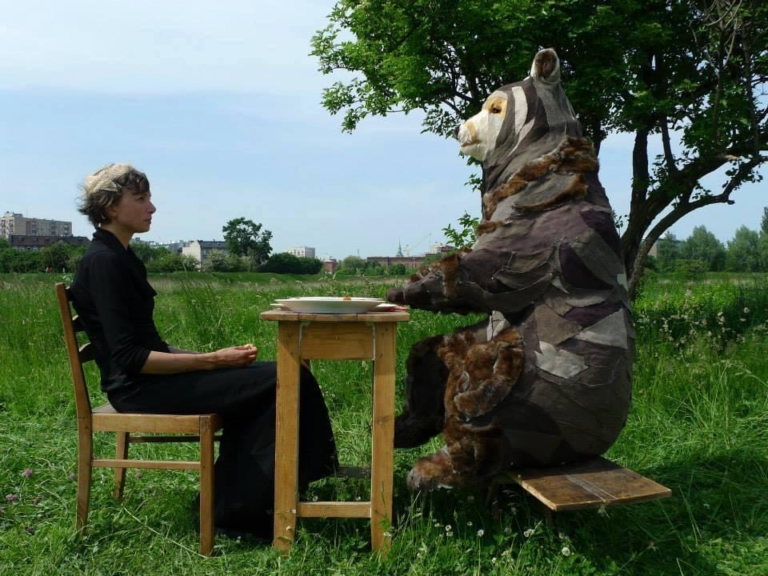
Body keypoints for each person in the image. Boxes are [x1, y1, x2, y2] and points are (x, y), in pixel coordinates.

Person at [69, 163, 337, 540]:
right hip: (139, 390)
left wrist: (214, 359)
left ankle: (243, 501)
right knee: (284, 376)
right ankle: (245, 508)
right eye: (141, 199)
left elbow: (150, 346)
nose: (152, 207)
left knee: (279, 375)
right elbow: (131, 358)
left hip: (149, 381)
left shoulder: (122, 257)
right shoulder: (103, 262)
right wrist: (212, 362)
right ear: (111, 207)